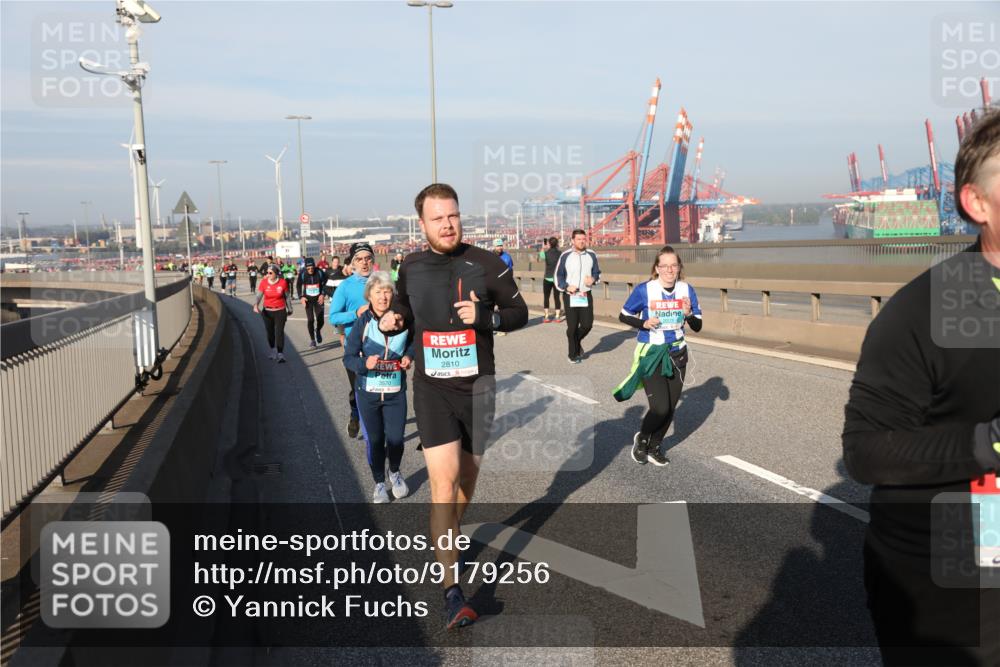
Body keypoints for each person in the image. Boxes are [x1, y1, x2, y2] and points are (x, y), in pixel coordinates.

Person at [842, 110, 1000, 665]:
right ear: (977, 204)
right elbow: (866, 451)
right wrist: (988, 444)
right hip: (955, 589)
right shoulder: (922, 311)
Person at [382, 183, 528, 630]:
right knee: (442, 484)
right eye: (438, 218)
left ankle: (449, 536)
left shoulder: (486, 264)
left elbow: (519, 313)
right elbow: (405, 301)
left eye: (454, 216)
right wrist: (398, 316)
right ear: (422, 224)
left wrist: (487, 318)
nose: (448, 225)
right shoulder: (410, 265)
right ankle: (451, 592)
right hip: (432, 388)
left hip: (478, 388)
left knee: (467, 481)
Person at [614, 245, 702, 466]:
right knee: (660, 407)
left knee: (671, 408)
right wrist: (643, 322)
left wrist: (689, 314)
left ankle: (655, 446)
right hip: (652, 353)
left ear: (679, 267)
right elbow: (624, 315)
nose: (669, 270)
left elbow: (698, 326)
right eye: (664, 266)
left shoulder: (686, 290)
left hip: (677, 353)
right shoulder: (645, 290)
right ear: (657, 268)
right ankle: (642, 439)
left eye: (674, 265)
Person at [343, 271, 414, 503]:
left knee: (395, 439)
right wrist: (364, 364)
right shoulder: (362, 323)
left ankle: (394, 472)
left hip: (395, 393)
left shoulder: (403, 320)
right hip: (369, 394)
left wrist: (409, 357)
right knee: (375, 441)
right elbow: (348, 358)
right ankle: (379, 483)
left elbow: (414, 343)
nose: (383, 297)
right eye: (378, 292)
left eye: (387, 291)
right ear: (369, 296)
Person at [329, 242, 377, 439]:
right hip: (355, 348)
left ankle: (375, 429)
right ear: (353, 263)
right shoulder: (345, 287)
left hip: (381, 347)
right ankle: (356, 414)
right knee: (358, 390)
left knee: (377, 390)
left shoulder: (382, 282)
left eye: (368, 258)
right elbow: (334, 317)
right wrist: (356, 313)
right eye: (359, 259)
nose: (364, 263)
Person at [555, 229, 601, 363]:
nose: (581, 242)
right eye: (579, 239)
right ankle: (572, 355)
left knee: (587, 325)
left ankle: (576, 340)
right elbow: (558, 275)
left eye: (583, 239)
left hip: (585, 294)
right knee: (573, 327)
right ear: (573, 241)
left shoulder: (591, 254)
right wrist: (566, 286)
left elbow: (597, 273)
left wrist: (593, 279)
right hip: (571, 295)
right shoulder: (565, 255)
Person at [253, 264, 293, 363]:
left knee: (279, 332)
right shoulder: (264, 282)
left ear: (276, 273)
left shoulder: (283, 283)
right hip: (267, 311)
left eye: (270, 272)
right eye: (267, 272)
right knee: (270, 333)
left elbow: (287, 296)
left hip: (280, 311)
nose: (268, 274)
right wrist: (255, 305)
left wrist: (290, 308)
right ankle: (273, 350)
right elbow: (259, 296)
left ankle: (280, 354)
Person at [296, 258, 326, 347]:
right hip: (308, 300)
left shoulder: (319, 272)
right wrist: (301, 297)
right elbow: (298, 285)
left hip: (318, 300)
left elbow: (326, 283)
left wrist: (323, 294)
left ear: (314, 266)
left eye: (312, 268)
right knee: (310, 320)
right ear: (305, 268)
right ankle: (313, 340)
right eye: (308, 268)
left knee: (321, 320)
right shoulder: (303, 273)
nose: (310, 270)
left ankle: (318, 330)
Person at [542, 236, 563, 323]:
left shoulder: (546, 253)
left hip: (547, 278)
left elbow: (541, 256)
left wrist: (543, 247)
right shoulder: (560, 254)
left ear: (549, 244)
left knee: (546, 297)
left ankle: (546, 316)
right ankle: (557, 316)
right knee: (556, 297)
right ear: (557, 244)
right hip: (557, 279)